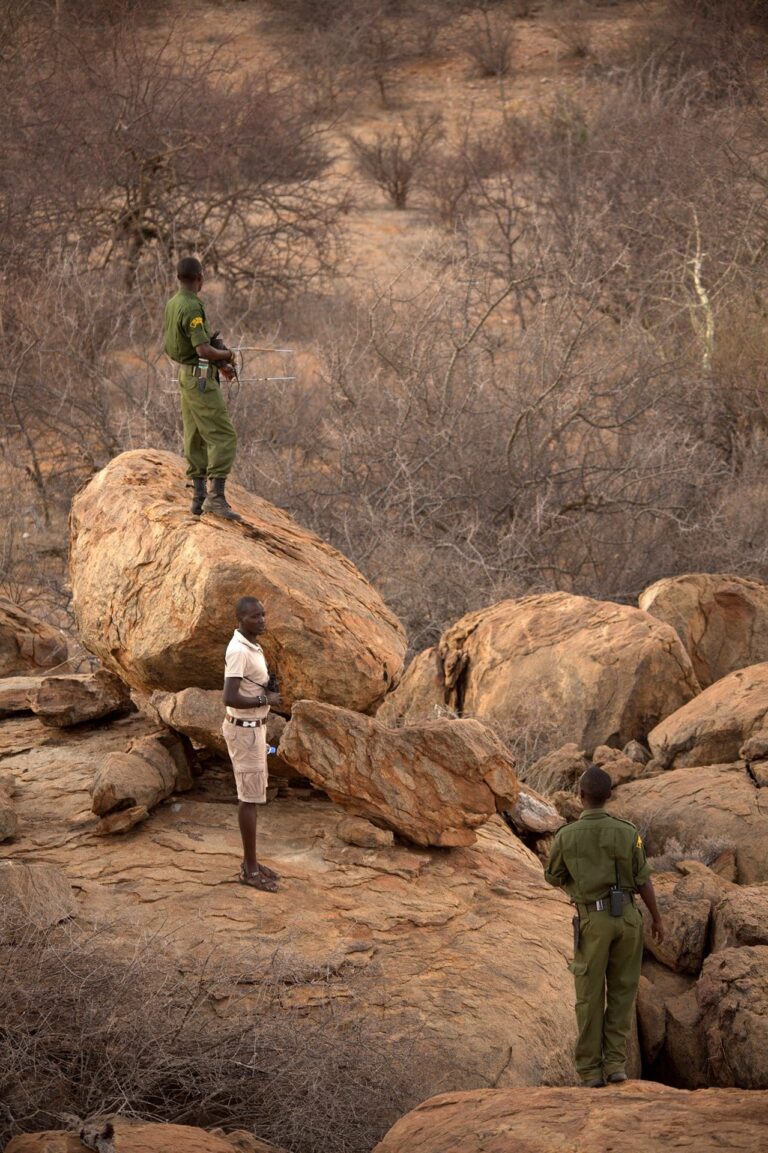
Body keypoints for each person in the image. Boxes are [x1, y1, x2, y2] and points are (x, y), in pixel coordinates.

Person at [544, 765, 664, 1088]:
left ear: (580, 796)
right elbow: (644, 880)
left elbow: (552, 876)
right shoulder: (629, 832)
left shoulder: (566, 836)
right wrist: (657, 918)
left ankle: (590, 1071)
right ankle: (615, 1064)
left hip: (592, 922)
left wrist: (578, 883)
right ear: (609, 796)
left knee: (589, 995)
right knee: (624, 993)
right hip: (627, 918)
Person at [163, 255, 242, 521]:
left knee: (195, 435)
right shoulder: (193, 307)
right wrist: (228, 355)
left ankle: (198, 498)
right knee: (223, 435)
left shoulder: (173, 303)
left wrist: (218, 364)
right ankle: (216, 499)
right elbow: (203, 349)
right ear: (200, 278)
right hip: (199, 379)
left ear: (177, 277)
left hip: (186, 375)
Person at [222, 596, 281, 892]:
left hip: (255, 730)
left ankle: (251, 863)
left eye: (263, 614)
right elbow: (229, 697)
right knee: (249, 798)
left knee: (255, 793)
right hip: (244, 731)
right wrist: (263, 699)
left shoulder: (253, 647)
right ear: (241, 619)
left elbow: (248, 684)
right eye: (255, 617)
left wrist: (267, 688)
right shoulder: (238, 651)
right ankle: (250, 870)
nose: (262, 620)